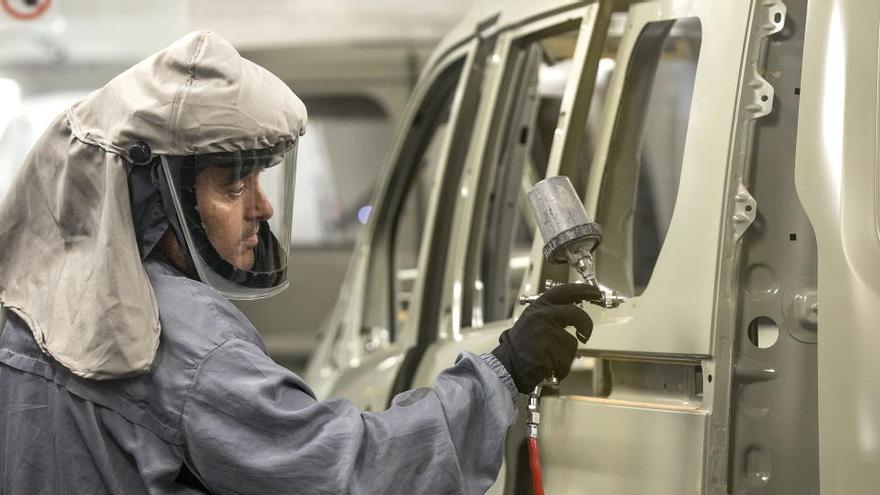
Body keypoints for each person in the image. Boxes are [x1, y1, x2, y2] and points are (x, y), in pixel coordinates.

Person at [0, 31, 598, 495]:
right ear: (158, 197)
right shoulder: (175, 340)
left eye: (260, 180)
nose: (261, 208)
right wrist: (504, 372)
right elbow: (350, 472)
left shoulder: (31, 311)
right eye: (234, 187)